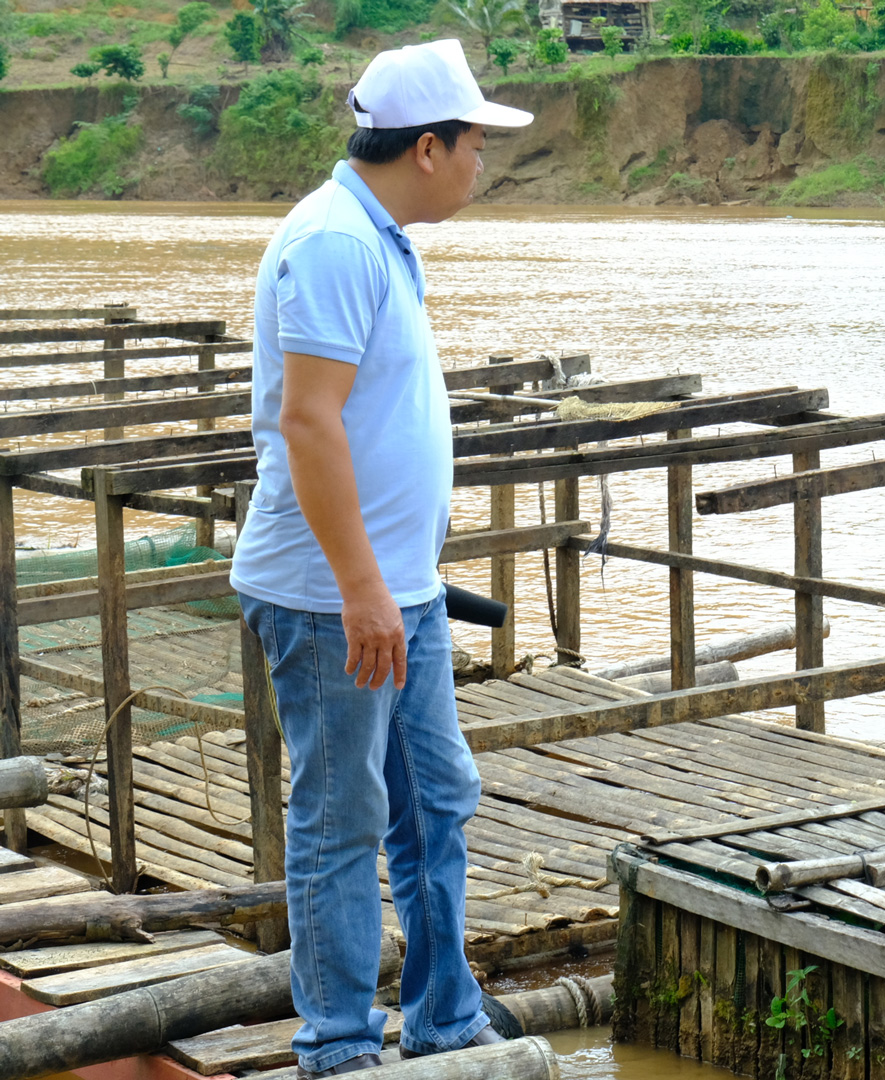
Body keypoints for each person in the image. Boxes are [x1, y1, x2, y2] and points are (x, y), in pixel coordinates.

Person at [229, 39, 533, 1078]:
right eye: (476, 146)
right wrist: (361, 589)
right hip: (330, 598)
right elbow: (307, 425)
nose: (481, 166)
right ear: (429, 147)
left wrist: (394, 584)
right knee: (341, 819)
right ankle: (342, 1046)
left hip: (399, 592)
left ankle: (447, 1013)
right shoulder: (333, 244)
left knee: (438, 797)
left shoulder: (380, 236)